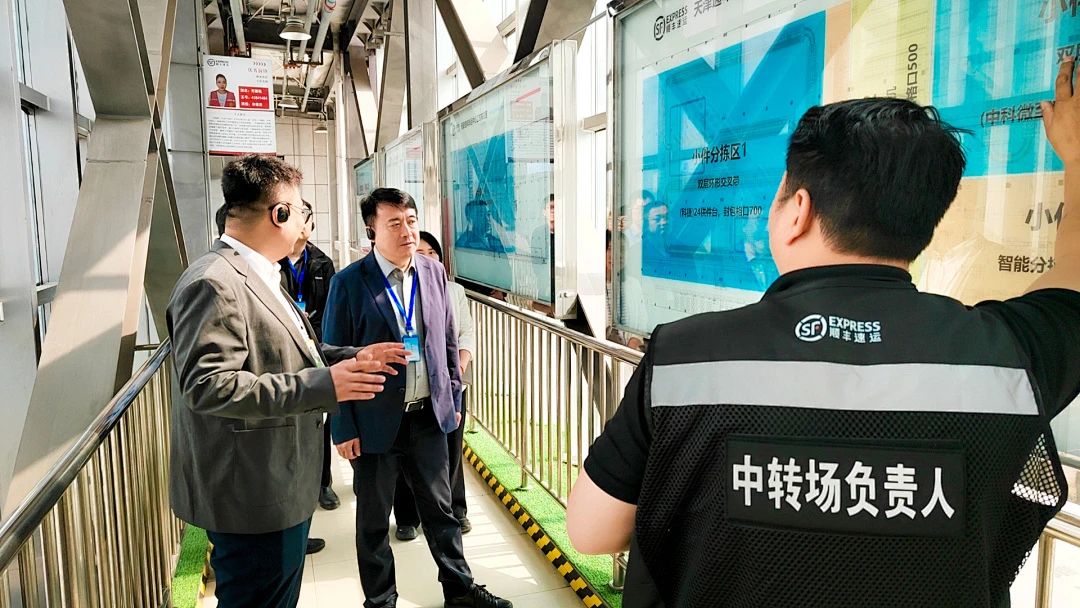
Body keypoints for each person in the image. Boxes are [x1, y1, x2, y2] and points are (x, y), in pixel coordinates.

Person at [566, 60, 1080, 608]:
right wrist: (1074, 160)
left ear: (798, 212)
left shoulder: (685, 357)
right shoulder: (1006, 356)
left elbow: (591, 531)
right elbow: (1072, 280)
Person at [168, 155, 407, 607]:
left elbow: (286, 350)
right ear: (278, 214)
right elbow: (209, 386)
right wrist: (326, 386)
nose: (303, 222)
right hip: (251, 494)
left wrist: (352, 356)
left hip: (276, 482)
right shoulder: (214, 282)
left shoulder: (258, 272)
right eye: (300, 210)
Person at [323, 188, 512, 608]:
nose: (407, 231)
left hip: (428, 416)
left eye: (411, 220)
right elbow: (332, 357)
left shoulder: (432, 271)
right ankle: (380, 600)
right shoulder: (348, 283)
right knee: (373, 521)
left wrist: (453, 399)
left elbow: (447, 340)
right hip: (373, 422)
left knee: (441, 512)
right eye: (394, 223)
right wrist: (343, 425)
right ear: (371, 230)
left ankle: (460, 592)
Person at [393, 230, 477, 540]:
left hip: (449, 386)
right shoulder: (398, 290)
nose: (428, 258)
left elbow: (466, 334)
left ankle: (456, 510)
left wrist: (457, 369)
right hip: (411, 387)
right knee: (404, 453)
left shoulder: (454, 291)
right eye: (421, 253)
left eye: (432, 253)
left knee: (450, 452)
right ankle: (407, 516)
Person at [278, 201, 341, 514]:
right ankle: (291, 486)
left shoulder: (321, 263)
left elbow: (332, 308)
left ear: (312, 224)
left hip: (317, 347)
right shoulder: (273, 261)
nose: (300, 221)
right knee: (288, 416)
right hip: (283, 348)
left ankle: (323, 483)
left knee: (320, 418)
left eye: (305, 216)